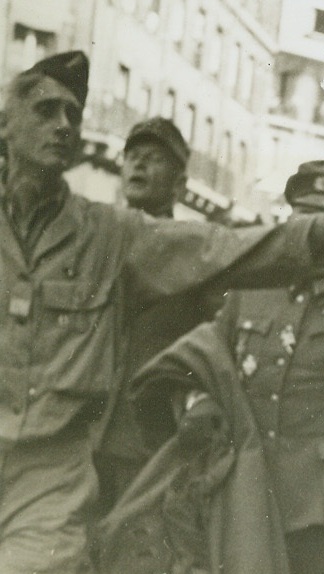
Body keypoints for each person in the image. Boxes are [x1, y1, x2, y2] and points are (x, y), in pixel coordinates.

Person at [0, 51, 324, 572]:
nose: (63, 125)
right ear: (5, 124)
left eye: (72, 115)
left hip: (53, 472)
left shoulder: (110, 234)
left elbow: (221, 250)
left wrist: (322, 235)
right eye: (44, 111)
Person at [113, 158, 324, 574]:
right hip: (247, 505)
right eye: (305, 216)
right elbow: (200, 364)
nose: (318, 231)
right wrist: (196, 400)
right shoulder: (247, 296)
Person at [93, 117, 221, 515]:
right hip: (82, 433)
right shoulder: (94, 244)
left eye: (152, 158)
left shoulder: (196, 256)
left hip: (148, 445)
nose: (138, 165)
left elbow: (216, 348)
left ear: (179, 185)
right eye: (131, 157)